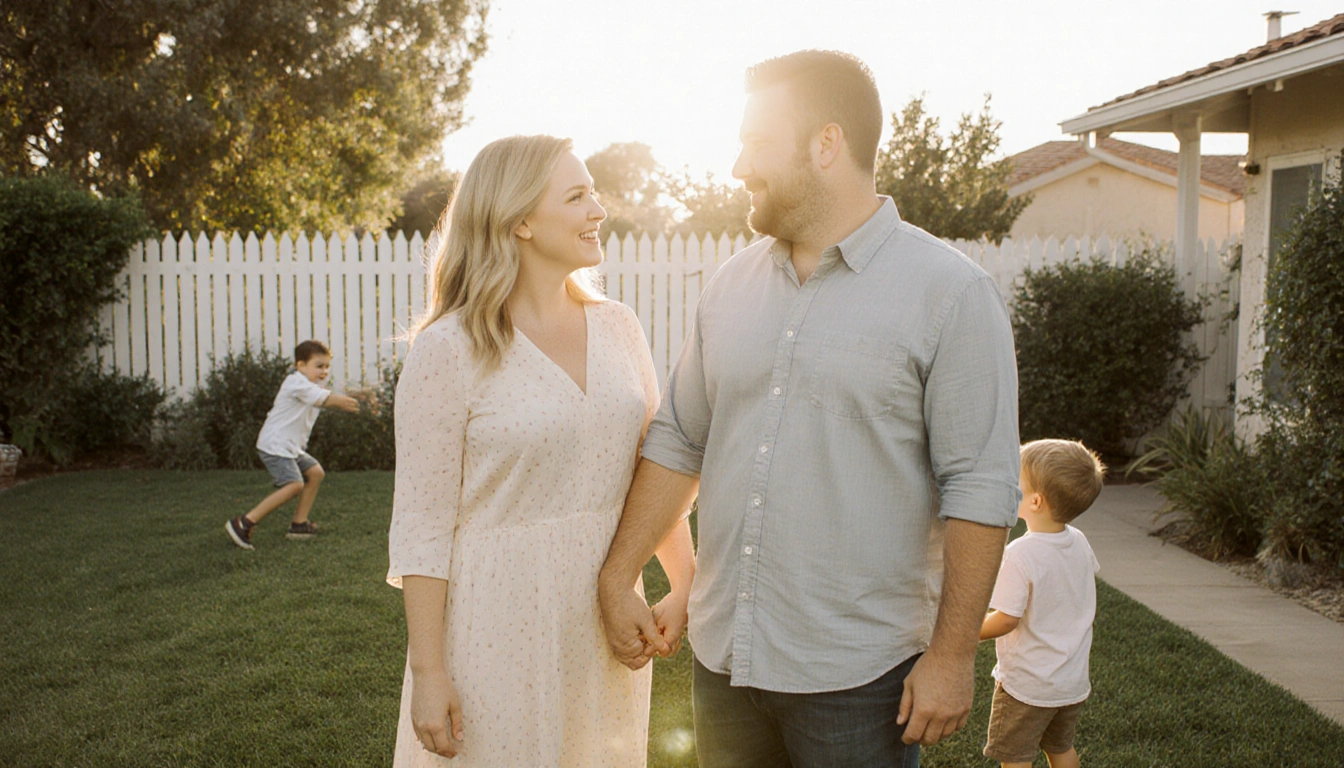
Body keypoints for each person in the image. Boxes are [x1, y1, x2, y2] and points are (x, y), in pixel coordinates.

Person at [597, 49, 1021, 766]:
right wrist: (617, 574)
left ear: (828, 144)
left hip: (860, 674)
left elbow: (980, 488)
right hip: (724, 656)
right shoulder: (730, 285)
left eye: (755, 143)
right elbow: (678, 441)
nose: (737, 167)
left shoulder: (949, 293)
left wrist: (952, 657)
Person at [387, 134, 695, 767]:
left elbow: (652, 466)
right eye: (578, 196)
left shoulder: (619, 327)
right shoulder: (447, 350)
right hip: (494, 624)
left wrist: (684, 579)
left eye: (594, 195)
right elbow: (421, 523)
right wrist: (429, 672)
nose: (599, 211)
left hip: (606, 618)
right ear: (520, 219)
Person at [979, 439, 1105, 768]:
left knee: (1016, 758)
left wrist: (968, 631)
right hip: (1070, 681)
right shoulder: (1077, 541)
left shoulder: (1021, 554)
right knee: (1060, 748)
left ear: (1035, 501)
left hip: (1028, 686)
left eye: (1015, 479)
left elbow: (1007, 619)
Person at [225, 340, 359, 550]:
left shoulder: (312, 385)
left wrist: (355, 396)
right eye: (319, 366)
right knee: (294, 484)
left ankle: (299, 524)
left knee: (315, 473)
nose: (324, 371)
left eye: (326, 366)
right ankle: (244, 522)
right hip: (276, 445)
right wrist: (348, 402)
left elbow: (326, 397)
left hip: (291, 447)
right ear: (301, 366)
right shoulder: (296, 383)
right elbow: (325, 400)